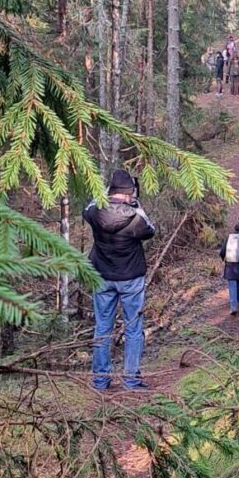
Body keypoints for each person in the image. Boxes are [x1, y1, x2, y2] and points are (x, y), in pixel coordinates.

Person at [83, 168, 155, 392]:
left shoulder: (95, 212)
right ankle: (130, 380)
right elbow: (150, 229)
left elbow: (87, 207)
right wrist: (135, 204)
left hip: (102, 276)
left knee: (102, 327)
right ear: (130, 192)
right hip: (130, 278)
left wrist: (107, 194)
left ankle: (100, 380)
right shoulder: (135, 217)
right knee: (133, 328)